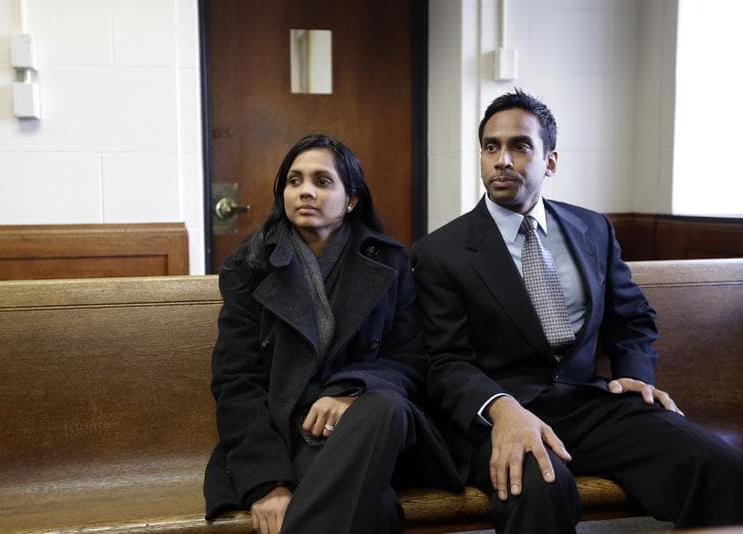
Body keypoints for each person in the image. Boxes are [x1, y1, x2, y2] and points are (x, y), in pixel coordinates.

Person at [411, 89, 743, 533]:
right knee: (542, 487)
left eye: (520, 146)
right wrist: (501, 408)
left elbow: (632, 320)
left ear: (550, 160)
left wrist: (636, 374)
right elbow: (445, 361)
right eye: (491, 147)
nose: (502, 160)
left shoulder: (592, 228)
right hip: (500, 415)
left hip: (587, 405)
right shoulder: (440, 251)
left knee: (718, 464)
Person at [203, 134, 459, 534]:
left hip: (377, 427)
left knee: (384, 406)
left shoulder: (389, 261)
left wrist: (350, 390)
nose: (305, 191)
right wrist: (268, 482)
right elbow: (236, 381)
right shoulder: (250, 266)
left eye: (322, 181)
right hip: (292, 432)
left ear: (352, 199)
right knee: (378, 509)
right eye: (294, 181)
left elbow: (411, 362)